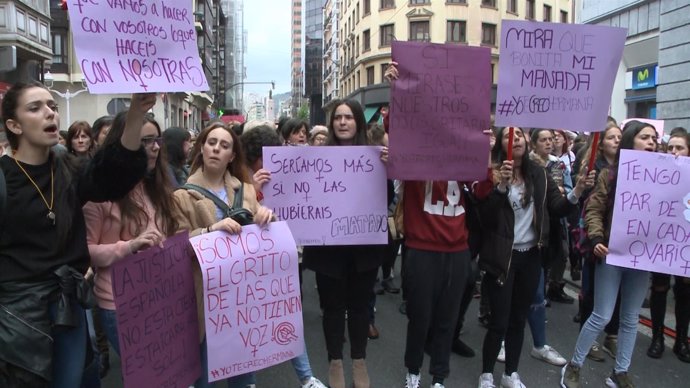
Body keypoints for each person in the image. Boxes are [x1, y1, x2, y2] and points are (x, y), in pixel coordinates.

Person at [0, 81, 153, 387]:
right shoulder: (3, 177)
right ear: (14, 125)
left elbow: (113, 176)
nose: (49, 113)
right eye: (35, 108)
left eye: (52, 106)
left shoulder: (69, 169)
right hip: (17, 318)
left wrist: (136, 112)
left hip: (69, 307)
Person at [476, 126, 594, 388]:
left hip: (530, 257)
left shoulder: (538, 173)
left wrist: (577, 192)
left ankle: (510, 374)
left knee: (518, 319)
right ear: (501, 144)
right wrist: (501, 188)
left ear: (526, 141)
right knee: (499, 321)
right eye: (508, 136)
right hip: (502, 259)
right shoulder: (492, 174)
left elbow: (557, 207)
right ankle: (486, 374)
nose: (515, 138)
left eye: (519, 134)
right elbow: (486, 219)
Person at [385, 63, 480, 388]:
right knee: (419, 318)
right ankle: (413, 372)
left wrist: (487, 152)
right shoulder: (414, 152)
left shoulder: (465, 153)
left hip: (456, 251)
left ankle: (439, 376)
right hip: (422, 250)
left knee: (446, 320)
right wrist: (397, 90)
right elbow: (397, 125)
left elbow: (481, 188)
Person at [171, 122, 273, 388]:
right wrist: (210, 230)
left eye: (224, 145)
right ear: (201, 149)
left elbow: (261, 234)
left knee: (242, 371)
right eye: (212, 143)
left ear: (232, 156)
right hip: (203, 297)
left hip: (242, 296)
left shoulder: (247, 191)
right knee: (203, 374)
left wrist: (265, 215)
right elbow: (176, 246)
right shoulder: (180, 197)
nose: (217, 148)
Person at [561, 120, 659, 388]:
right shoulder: (611, 175)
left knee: (630, 318)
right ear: (630, 142)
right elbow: (593, 210)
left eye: (653, 138)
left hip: (643, 258)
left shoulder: (666, 177)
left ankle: (620, 371)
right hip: (612, 253)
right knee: (602, 315)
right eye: (644, 137)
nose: (651, 142)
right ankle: (574, 365)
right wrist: (596, 239)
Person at [82, 113, 176, 384]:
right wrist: (129, 246)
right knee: (147, 374)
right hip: (119, 302)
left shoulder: (157, 187)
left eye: (157, 140)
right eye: (146, 141)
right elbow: (85, 251)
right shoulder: (99, 192)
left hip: (159, 295)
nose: (155, 147)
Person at [302, 99, 387, 388]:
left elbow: (385, 199)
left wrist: (389, 169)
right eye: (337, 117)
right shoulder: (317, 157)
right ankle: (335, 361)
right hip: (328, 249)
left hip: (364, 246)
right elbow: (300, 193)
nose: (342, 122)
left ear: (358, 122)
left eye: (348, 117)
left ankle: (359, 361)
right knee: (333, 307)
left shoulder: (377, 157)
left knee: (361, 307)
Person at [239, 124, 328, 388]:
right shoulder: (238, 180)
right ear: (255, 158)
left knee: (287, 315)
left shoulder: (280, 175)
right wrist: (252, 192)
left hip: (275, 260)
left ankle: (307, 378)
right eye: (267, 158)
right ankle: (249, 380)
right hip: (245, 267)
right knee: (247, 327)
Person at [572, 123, 623, 362]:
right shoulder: (594, 167)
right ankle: (589, 336)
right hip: (596, 238)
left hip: (621, 239)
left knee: (618, 290)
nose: (615, 141)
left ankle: (611, 336)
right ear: (601, 144)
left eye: (619, 137)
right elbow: (586, 203)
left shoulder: (630, 167)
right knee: (590, 289)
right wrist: (586, 183)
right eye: (611, 137)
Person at [647, 128, 690, 363]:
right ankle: (657, 338)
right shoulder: (656, 171)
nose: (674, 152)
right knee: (660, 288)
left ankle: (681, 339)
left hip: (685, 243)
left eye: (679, 147)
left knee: (685, 291)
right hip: (662, 239)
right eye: (670, 147)